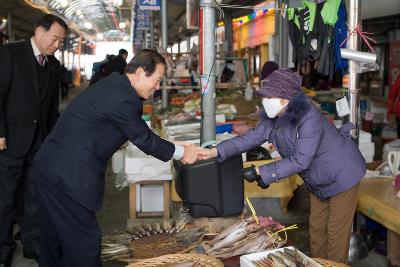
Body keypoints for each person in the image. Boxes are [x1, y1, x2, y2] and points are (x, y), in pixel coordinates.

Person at [33, 49, 201, 266]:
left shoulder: (115, 85)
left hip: (51, 166)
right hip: (68, 175)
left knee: (54, 240)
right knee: (84, 245)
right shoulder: (123, 98)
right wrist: (181, 153)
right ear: (140, 73)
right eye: (157, 80)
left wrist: (175, 145)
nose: (157, 87)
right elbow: (144, 139)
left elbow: (124, 130)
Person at [198, 68, 366, 264]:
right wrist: (216, 151)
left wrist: (263, 171)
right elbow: (251, 138)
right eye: (265, 96)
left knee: (336, 235)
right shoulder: (274, 117)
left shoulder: (309, 118)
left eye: (270, 96)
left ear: (287, 98)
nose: (265, 100)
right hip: (318, 179)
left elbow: (301, 160)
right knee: (317, 229)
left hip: (343, 174)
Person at [0, 14, 67, 266]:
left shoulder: (53, 65)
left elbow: (51, 109)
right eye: (55, 38)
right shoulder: (10, 54)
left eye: (61, 41)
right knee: (5, 201)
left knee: (34, 198)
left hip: (38, 145)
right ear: (40, 30)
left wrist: (52, 142)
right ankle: (3, 251)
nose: (57, 44)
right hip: (9, 143)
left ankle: (32, 243)